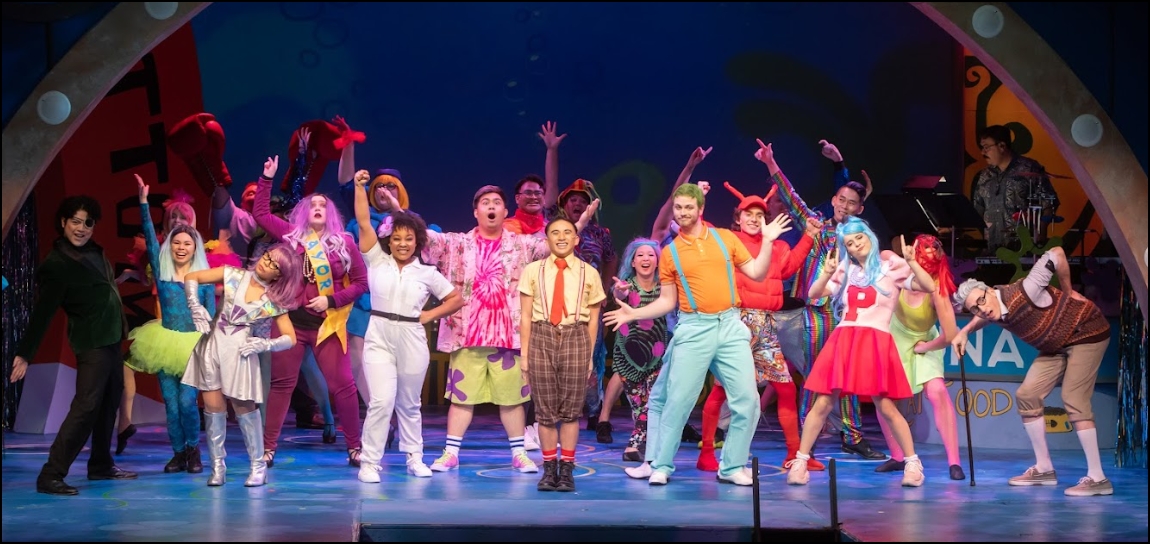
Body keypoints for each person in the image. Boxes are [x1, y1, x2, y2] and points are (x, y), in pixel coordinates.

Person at [605, 183, 791, 486]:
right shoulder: (670, 253)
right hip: (694, 327)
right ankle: (661, 465)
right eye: (678, 207)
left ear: (701, 209)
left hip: (730, 325)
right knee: (678, 401)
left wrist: (768, 241)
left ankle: (732, 466)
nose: (682, 213)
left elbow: (757, 272)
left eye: (688, 207)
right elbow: (668, 301)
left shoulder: (725, 238)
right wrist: (634, 313)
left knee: (748, 401)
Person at [422, 185, 598, 473]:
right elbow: (424, 237)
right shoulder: (458, 243)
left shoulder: (522, 245)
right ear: (476, 211)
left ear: (505, 212)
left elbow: (554, 244)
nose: (491, 206)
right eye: (485, 202)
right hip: (467, 336)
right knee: (462, 399)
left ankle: (519, 454)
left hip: (509, 337)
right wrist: (397, 210)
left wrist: (581, 223)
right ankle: (450, 453)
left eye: (496, 202)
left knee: (513, 399)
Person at [757, 139, 885, 461]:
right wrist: (771, 163)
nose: (844, 205)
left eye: (852, 203)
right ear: (833, 200)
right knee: (816, 377)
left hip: (850, 315)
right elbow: (791, 197)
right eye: (841, 199)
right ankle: (807, 440)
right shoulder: (816, 224)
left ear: (860, 208)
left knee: (849, 377)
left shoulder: (860, 238)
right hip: (817, 314)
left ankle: (852, 437)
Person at [785, 219, 935, 488]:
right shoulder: (846, 270)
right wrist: (825, 273)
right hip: (845, 338)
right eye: (850, 243)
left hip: (875, 340)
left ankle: (913, 463)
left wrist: (912, 263)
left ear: (869, 236)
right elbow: (814, 293)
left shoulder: (892, 268)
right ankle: (801, 460)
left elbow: (928, 286)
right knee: (823, 402)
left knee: (886, 406)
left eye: (859, 238)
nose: (856, 245)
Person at [952, 246, 1113, 496]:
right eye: (974, 308)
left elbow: (1057, 253)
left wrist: (1068, 292)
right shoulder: (991, 308)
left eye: (981, 301)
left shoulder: (1026, 290)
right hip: (1056, 345)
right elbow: (985, 313)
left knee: (1074, 398)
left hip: (1086, 332)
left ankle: (1098, 478)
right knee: (1027, 395)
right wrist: (964, 331)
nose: (981, 309)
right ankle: (1044, 469)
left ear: (991, 290)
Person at [12, 196, 138, 495]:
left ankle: (101, 465)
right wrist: (26, 353)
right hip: (91, 342)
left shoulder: (95, 251)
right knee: (86, 406)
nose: (81, 229)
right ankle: (51, 474)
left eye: (87, 223)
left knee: (109, 402)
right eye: (76, 222)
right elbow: (43, 313)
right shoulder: (56, 265)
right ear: (63, 223)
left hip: (112, 339)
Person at [254, 154, 370, 468]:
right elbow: (260, 213)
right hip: (290, 323)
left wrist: (330, 301)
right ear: (304, 212)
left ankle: (355, 447)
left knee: (343, 386)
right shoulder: (292, 237)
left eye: (323, 205)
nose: (318, 207)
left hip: (326, 324)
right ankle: (268, 448)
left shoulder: (344, 243)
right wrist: (267, 178)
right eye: (313, 204)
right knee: (282, 385)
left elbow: (361, 283)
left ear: (330, 214)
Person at [696, 182, 820, 471]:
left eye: (759, 215)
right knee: (722, 390)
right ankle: (707, 454)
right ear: (738, 217)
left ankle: (794, 454)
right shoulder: (728, 241)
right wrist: (699, 201)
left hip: (766, 325)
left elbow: (788, 268)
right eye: (748, 214)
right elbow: (700, 233)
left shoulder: (777, 246)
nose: (754, 219)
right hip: (737, 323)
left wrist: (809, 237)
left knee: (786, 389)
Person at [351, 169, 464, 483]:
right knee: (380, 401)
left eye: (409, 239)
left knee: (409, 403)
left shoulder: (427, 272)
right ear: (389, 240)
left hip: (412, 337)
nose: (402, 244)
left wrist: (429, 316)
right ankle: (370, 462)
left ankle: (415, 457)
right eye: (397, 238)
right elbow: (363, 221)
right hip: (378, 335)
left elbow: (456, 298)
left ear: (417, 242)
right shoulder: (377, 260)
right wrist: (360, 187)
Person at [181, 244, 302, 486]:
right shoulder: (232, 274)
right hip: (211, 346)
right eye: (267, 257)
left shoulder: (274, 301)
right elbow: (192, 276)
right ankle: (217, 467)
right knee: (213, 408)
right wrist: (195, 306)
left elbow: (291, 338)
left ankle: (258, 466)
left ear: (280, 275)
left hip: (241, 353)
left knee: (244, 409)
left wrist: (265, 344)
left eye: (274, 264)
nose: (266, 263)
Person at [125, 176, 215, 474]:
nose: (181, 247)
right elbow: (152, 242)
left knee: (188, 403)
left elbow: (211, 318)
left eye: (187, 243)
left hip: (193, 347)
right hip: (165, 344)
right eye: (176, 242)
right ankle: (178, 453)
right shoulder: (163, 274)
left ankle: (193, 449)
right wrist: (143, 203)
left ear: (195, 247)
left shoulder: (203, 281)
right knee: (171, 404)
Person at [519, 218, 607, 491]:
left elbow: (594, 319)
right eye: (555, 232)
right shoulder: (533, 270)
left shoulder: (588, 272)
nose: (561, 237)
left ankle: (566, 469)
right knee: (545, 412)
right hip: (542, 335)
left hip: (575, 336)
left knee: (570, 412)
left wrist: (589, 355)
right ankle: (549, 469)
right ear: (547, 239)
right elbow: (525, 316)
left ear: (576, 239)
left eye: (567, 232)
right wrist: (525, 356)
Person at [874, 235, 966, 480]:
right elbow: (883, 254)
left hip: (925, 340)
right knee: (883, 397)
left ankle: (954, 462)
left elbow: (950, 334)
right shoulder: (902, 272)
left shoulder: (937, 290)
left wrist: (925, 348)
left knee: (936, 391)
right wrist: (901, 261)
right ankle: (897, 456)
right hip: (895, 335)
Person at [609, 238, 668, 462]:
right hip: (628, 356)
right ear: (632, 262)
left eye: (651, 255)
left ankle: (635, 446)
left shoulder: (665, 287)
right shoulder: (626, 286)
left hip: (657, 354)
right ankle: (647, 444)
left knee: (652, 402)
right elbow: (619, 294)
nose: (646, 259)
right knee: (638, 405)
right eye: (640, 255)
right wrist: (619, 292)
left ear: (657, 261)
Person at [970, 125, 1060, 253]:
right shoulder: (985, 175)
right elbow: (976, 210)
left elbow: (1049, 203)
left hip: (1023, 249)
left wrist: (1041, 231)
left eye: (986, 147)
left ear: (1002, 146)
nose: (983, 152)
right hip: (992, 248)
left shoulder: (1029, 168)